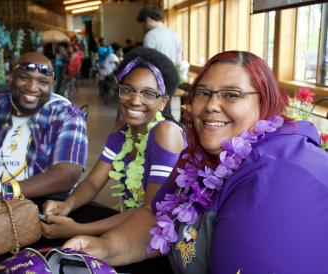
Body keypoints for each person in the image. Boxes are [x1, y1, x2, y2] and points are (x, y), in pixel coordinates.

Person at [61, 51, 328, 273]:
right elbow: (156, 217)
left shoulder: (279, 176)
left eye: (231, 94)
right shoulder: (198, 158)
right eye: (203, 93)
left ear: (265, 101)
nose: (212, 105)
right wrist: (105, 247)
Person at [41, 47, 185, 239]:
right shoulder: (121, 130)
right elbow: (93, 183)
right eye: (128, 90)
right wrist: (67, 205)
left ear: (163, 102)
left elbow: (151, 211)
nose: (135, 100)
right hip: (133, 228)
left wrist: (77, 230)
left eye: (148, 93)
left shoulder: (166, 133)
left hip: (166, 239)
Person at [0, 52, 87, 208]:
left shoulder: (67, 116)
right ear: (11, 78)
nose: (32, 87)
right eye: (24, 78)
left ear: (51, 86)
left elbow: (67, 175)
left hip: (38, 210)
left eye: (43, 81)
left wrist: (0, 192)